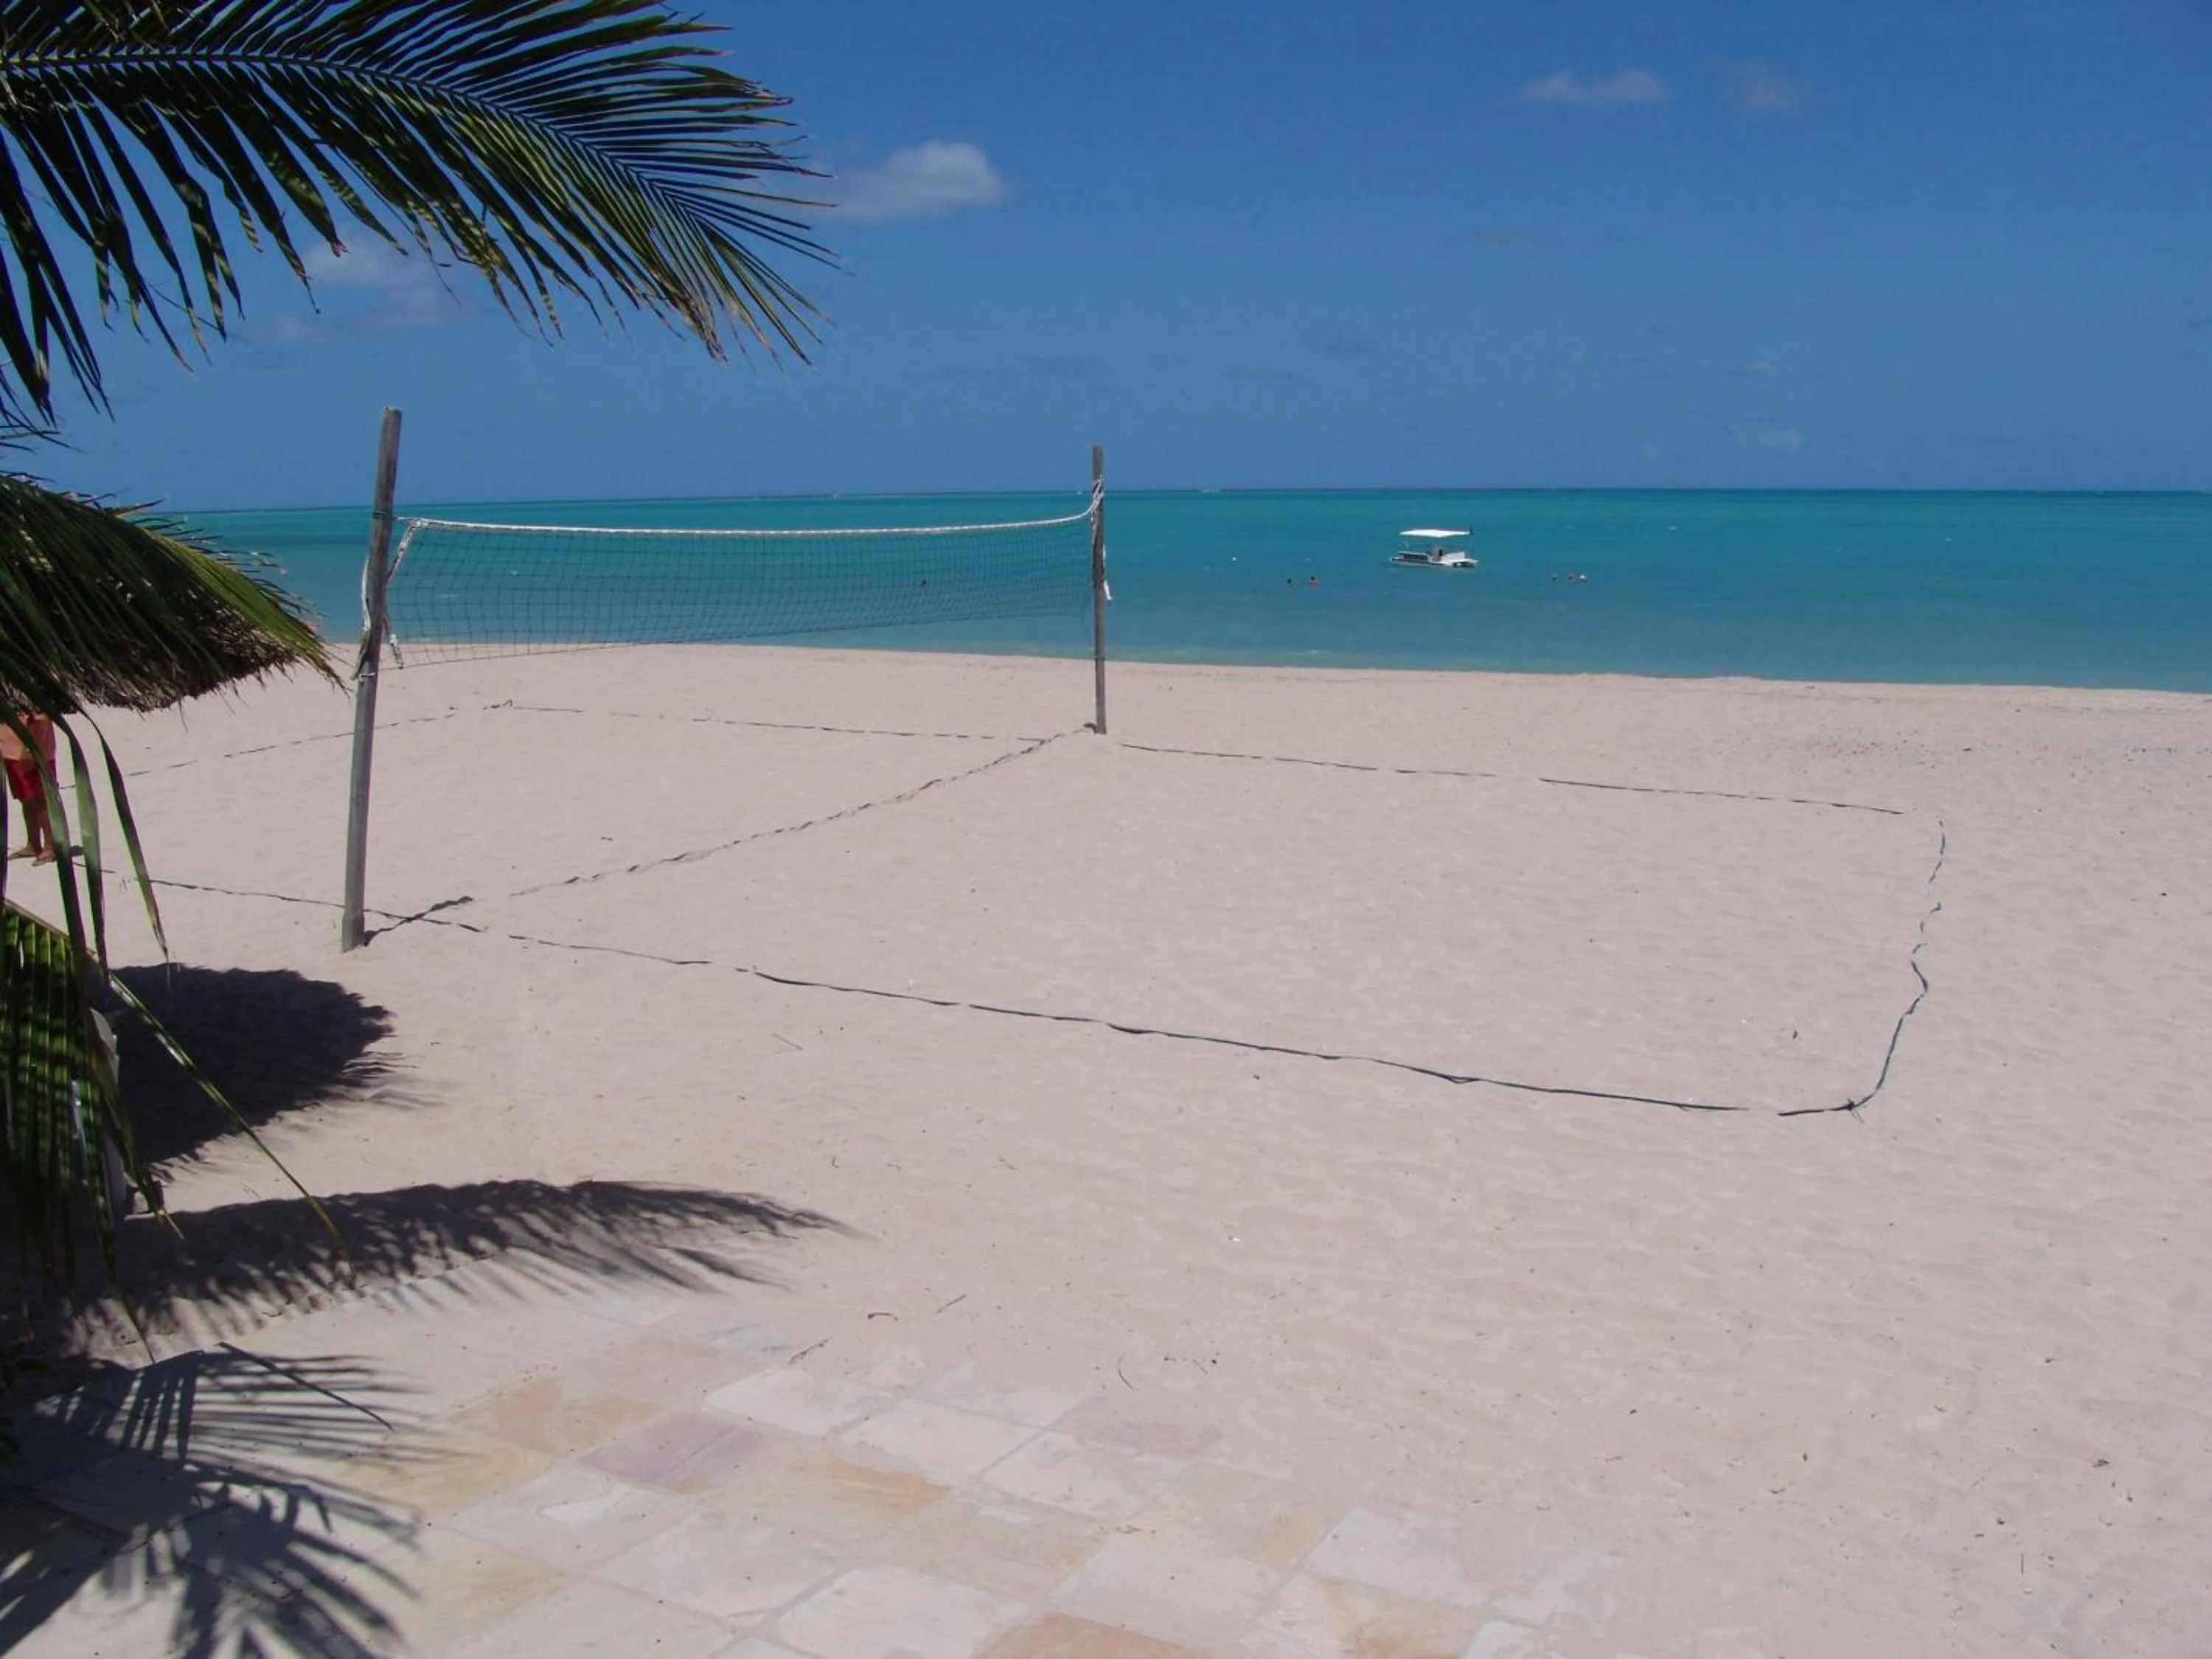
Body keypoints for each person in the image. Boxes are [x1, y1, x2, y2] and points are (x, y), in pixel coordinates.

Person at [3, 710, 57, 863]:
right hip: (11, 749)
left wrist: (32, 747)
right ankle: (33, 844)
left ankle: (50, 846)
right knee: (25, 798)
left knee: (42, 799)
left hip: (35, 750)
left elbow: (40, 717)